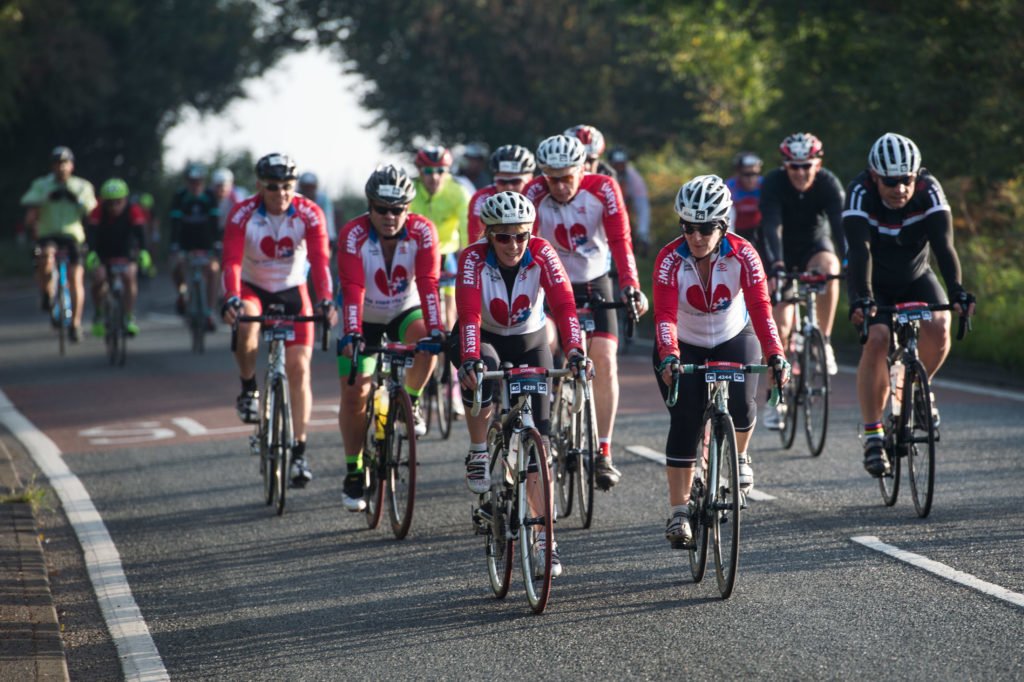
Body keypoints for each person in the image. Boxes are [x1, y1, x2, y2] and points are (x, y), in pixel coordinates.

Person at [454, 190, 587, 578]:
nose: (514, 244)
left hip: (530, 339)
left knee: (539, 448)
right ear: (488, 234)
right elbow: (467, 314)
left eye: (521, 235)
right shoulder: (472, 259)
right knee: (483, 374)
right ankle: (480, 449)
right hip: (485, 337)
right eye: (504, 236)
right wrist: (471, 359)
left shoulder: (544, 253)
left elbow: (564, 305)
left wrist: (576, 350)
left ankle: (546, 540)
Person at [652, 174, 788, 547]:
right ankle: (679, 511)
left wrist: (775, 353)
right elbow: (664, 315)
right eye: (689, 228)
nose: (696, 237)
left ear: (722, 225)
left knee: (743, 407)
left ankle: (740, 457)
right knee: (686, 420)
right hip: (683, 343)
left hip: (732, 336)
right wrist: (670, 358)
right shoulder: (669, 259)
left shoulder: (744, 253)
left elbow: (761, 307)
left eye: (707, 228)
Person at [844, 133, 975, 477]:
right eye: (891, 181)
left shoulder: (929, 190)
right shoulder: (859, 193)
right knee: (878, 338)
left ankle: (917, 388)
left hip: (916, 274)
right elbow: (860, 252)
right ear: (874, 177)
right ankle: (873, 434)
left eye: (907, 180)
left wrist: (958, 290)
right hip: (874, 281)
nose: (900, 188)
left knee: (939, 325)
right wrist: (862, 299)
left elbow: (944, 247)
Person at [524, 134, 649, 490]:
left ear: (583, 168)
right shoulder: (533, 193)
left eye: (568, 176)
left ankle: (604, 450)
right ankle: (543, 427)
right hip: (549, 283)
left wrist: (630, 286)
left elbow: (621, 242)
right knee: (544, 346)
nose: (560, 185)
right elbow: (523, 246)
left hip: (594, 281)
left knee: (605, 359)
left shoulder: (604, 189)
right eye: (552, 178)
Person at [221, 153, 337, 488]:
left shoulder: (309, 213)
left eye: (288, 186)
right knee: (247, 323)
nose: (282, 193)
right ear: (260, 186)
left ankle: (299, 451)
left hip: (291, 289)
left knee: (300, 368)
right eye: (273, 187)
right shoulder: (242, 213)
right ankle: (248, 390)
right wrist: (231, 297)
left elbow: (320, 261)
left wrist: (325, 300)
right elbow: (231, 262)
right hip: (253, 287)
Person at [336, 165, 444, 510]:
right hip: (363, 317)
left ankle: (409, 400)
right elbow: (351, 288)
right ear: (370, 206)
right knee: (355, 394)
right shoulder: (353, 234)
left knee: (429, 342)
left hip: (402, 310)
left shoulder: (423, 232)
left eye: (397, 209)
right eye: (382, 208)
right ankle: (354, 472)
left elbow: (428, 282)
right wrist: (352, 332)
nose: (389, 216)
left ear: (408, 209)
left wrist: (438, 328)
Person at [759, 132, 845, 432]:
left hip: (813, 247)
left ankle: (825, 339)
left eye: (806, 165)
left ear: (817, 164)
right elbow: (771, 225)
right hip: (779, 251)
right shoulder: (773, 183)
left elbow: (840, 227)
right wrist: (778, 266)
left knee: (831, 266)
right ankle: (774, 399)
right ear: (785, 165)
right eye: (793, 166)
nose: (800, 172)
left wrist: (850, 264)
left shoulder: (829, 184)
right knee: (780, 329)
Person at [21, 146, 97, 341]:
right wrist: (46, 197)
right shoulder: (42, 184)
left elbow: (92, 208)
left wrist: (76, 199)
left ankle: (76, 324)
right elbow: (28, 201)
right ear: (52, 166)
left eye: (64, 163)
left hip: (72, 235)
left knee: (75, 278)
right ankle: (47, 293)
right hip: (49, 233)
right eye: (57, 164)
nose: (61, 168)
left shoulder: (82, 185)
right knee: (45, 256)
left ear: (71, 165)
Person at [409, 145, 471, 334]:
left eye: (440, 171)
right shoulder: (411, 189)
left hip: (447, 254)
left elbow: (467, 224)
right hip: (417, 254)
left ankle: (450, 359)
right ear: (419, 171)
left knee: (449, 315)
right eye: (427, 171)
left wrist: (467, 252)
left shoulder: (457, 191)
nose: (434, 177)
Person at [85, 178, 151, 337]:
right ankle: (99, 314)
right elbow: (91, 234)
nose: (114, 207)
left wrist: (143, 251)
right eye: (110, 203)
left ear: (125, 200)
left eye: (118, 202)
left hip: (125, 252)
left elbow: (140, 233)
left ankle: (128, 316)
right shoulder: (98, 211)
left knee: (129, 276)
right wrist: (92, 253)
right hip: (103, 252)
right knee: (99, 279)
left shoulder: (133, 210)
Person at [169, 162, 221, 329]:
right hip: (185, 241)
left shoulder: (209, 196)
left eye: (198, 181)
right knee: (177, 266)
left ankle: (210, 312)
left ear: (203, 182)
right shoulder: (180, 196)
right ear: (187, 182)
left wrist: (216, 245)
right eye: (192, 181)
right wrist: (174, 246)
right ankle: (182, 293)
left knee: (213, 270)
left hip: (205, 242)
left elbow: (214, 223)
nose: (195, 185)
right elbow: (175, 224)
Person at [467, 144, 537, 243]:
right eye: (502, 182)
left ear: (530, 179)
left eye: (515, 181)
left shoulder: (539, 194)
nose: (509, 187)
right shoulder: (481, 198)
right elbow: (475, 241)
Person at [609, 147, 652, 257]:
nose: (619, 169)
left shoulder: (634, 178)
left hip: (623, 218)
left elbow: (642, 207)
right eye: (615, 165)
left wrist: (643, 233)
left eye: (622, 165)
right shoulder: (601, 174)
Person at [725, 151, 764, 248]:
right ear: (738, 173)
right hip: (737, 231)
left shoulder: (764, 185)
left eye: (755, 174)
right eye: (747, 174)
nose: (751, 179)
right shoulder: (730, 187)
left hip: (760, 231)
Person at [297, 171, 337, 244]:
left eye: (311, 187)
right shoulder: (294, 198)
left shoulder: (323, 199)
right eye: (306, 188)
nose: (308, 191)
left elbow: (328, 218)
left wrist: (331, 237)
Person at [209, 168, 248, 232]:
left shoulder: (238, 197)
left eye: (223, 186)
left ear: (231, 185)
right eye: (218, 186)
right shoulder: (209, 196)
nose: (220, 189)